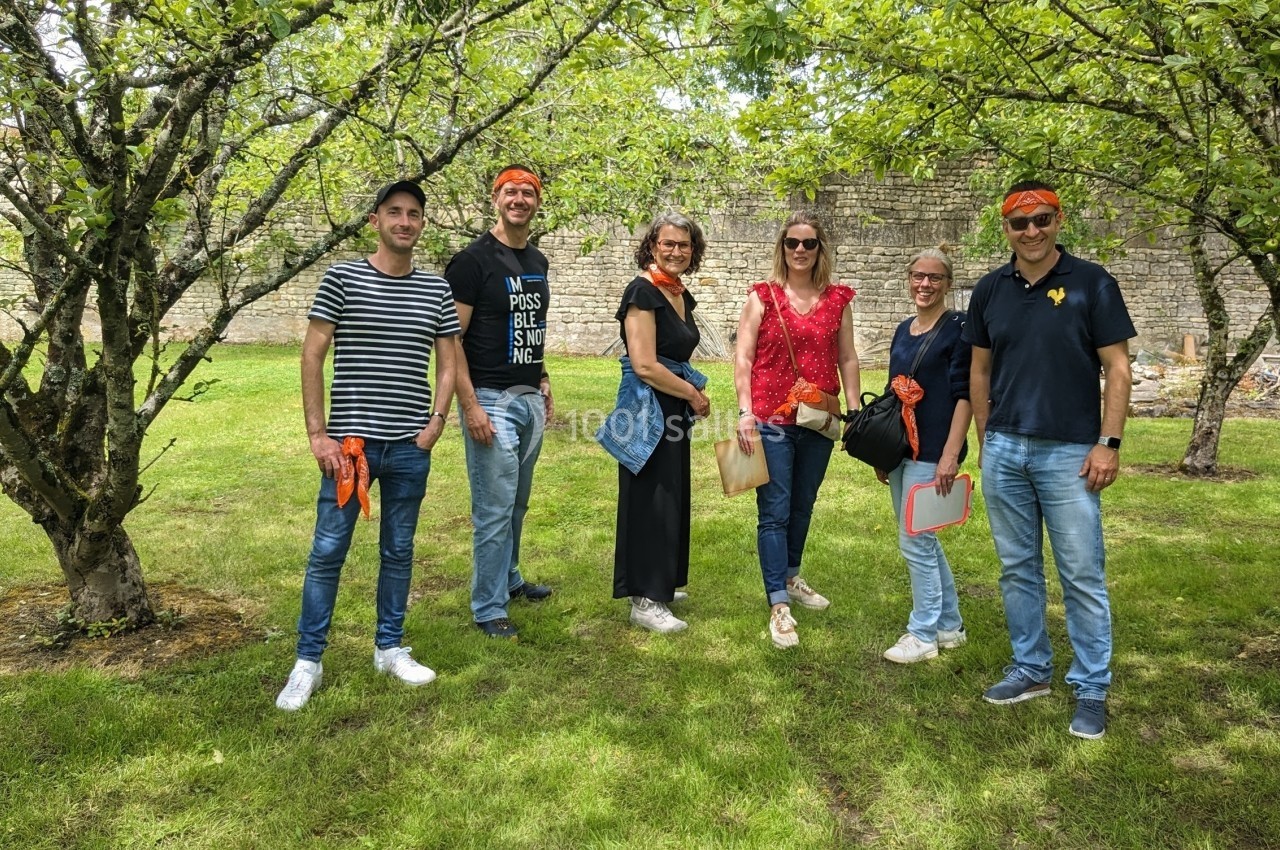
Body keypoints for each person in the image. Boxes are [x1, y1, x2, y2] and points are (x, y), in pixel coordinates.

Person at [276, 180, 460, 712]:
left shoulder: (436, 291)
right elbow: (312, 355)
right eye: (394, 212)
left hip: (408, 447)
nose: (405, 221)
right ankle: (307, 661)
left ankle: (389, 648)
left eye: (414, 213)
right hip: (349, 448)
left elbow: (448, 362)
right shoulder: (342, 279)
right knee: (327, 551)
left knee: (398, 551)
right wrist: (318, 434)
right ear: (376, 220)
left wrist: (436, 422)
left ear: (422, 224)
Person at [964, 180, 1134, 740]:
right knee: (1017, 568)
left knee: (1081, 572)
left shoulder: (1092, 283)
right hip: (1005, 449)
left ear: (1059, 220)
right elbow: (980, 371)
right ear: (1006, 228)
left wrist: (1108, 443)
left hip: (1071, 452)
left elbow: (1118, 369)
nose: (1031, 231)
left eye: (1042, 219)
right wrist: (988, 438)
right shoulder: (990, 289)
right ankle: (1031, 668)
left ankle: (1091, 686)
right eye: (1020, 222)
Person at [734, 210, 860, 649]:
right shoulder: (763, 296)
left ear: (820, 249)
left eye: (809, 243)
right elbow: (744, 357)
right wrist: (745, 411)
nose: (800, 250)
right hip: (771, 418)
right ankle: (778, 603)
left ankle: (790, 576)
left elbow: (847, 357)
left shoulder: (838, 299)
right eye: (792, 243)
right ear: (782, 248)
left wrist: (854, 409)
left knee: (803, 504)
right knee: (775, 510)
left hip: (818, 418)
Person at [445, 165, 554, 640]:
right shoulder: (471, 262)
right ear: (495, 199)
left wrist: (543, 377)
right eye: (510, 191)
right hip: (489, 397)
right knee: (493, 508)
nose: (519, 200)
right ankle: (488, 607)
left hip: (528, 396)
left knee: (517, 502)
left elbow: (532, 328)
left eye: (528, 193)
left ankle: (509, 579)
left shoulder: (538, 261)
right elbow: (450, 340)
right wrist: (469, 405)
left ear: (537, 203)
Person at [597, 212, 711, 633]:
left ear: (693, 251)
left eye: (684, 245)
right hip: (647, 408)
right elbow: (644, 364)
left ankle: (660, 582)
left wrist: (686, 394)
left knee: (670, 495)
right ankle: (644, 600)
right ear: (652, 246)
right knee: (650, 498)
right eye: (668, 243)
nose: (676, 251)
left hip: (670, 405)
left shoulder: (678, 293)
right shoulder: (642, 292)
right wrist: (693, 394)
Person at [876, 247, 972, 664]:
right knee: (923, 538)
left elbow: (966, 395)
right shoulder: (904, 329)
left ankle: (923, 633)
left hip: (934, 451)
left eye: (934, 277)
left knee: (915, 541)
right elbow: (892, 392)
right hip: (901, 448)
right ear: (909, 279)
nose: (925, 284)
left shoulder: (959, 329)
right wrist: (882, 450)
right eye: (918, 276)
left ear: (948, 284)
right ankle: (949, 626)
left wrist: (951, 454)